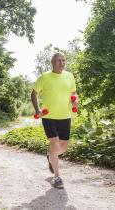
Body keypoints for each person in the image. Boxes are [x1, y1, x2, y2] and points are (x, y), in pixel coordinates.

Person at [31, 52, 78, 189]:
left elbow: (73, 93)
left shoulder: (69, 76)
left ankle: (51, 156)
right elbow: (34, 93)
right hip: (49, 116)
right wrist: (37, 110)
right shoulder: (44, 77)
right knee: (54, 142)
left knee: (63, 147)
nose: (62, 63)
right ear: (52, 62)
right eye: (59, 60)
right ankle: (57, 177)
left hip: (65, 116)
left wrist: (75, 101)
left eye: (63, 60)